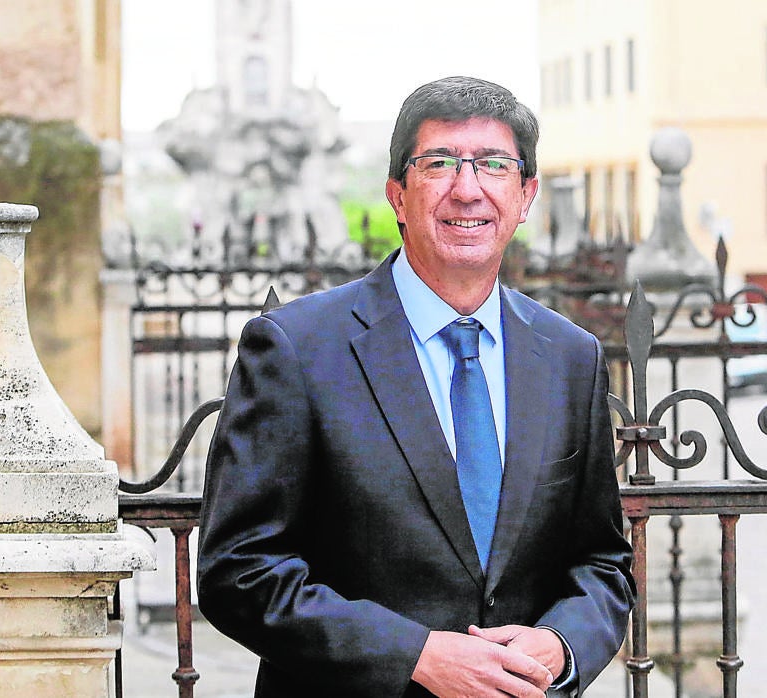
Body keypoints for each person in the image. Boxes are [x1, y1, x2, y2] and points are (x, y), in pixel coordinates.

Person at [197, 75, 634, 697]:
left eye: (493, 164)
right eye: (439, 164)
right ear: (397, 195)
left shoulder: (570, 356)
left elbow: (602, 562)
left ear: (525, 194)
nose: (468, 188)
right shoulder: (297, 349)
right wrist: (414, 654)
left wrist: (561, 645)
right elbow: (237, 571)